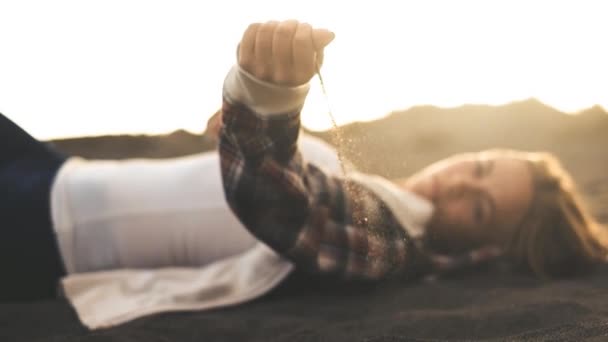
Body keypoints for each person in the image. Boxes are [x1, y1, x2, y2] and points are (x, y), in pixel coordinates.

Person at [0, 20, 604, 305]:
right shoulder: (376, 192)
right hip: (56, 168)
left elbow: (289, 208)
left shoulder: (393, 242)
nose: (452, 184)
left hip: (40, 227)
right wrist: (242, 134)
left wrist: (265, 104)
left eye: (477, 207)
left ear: (489, 248)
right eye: (475, 164)